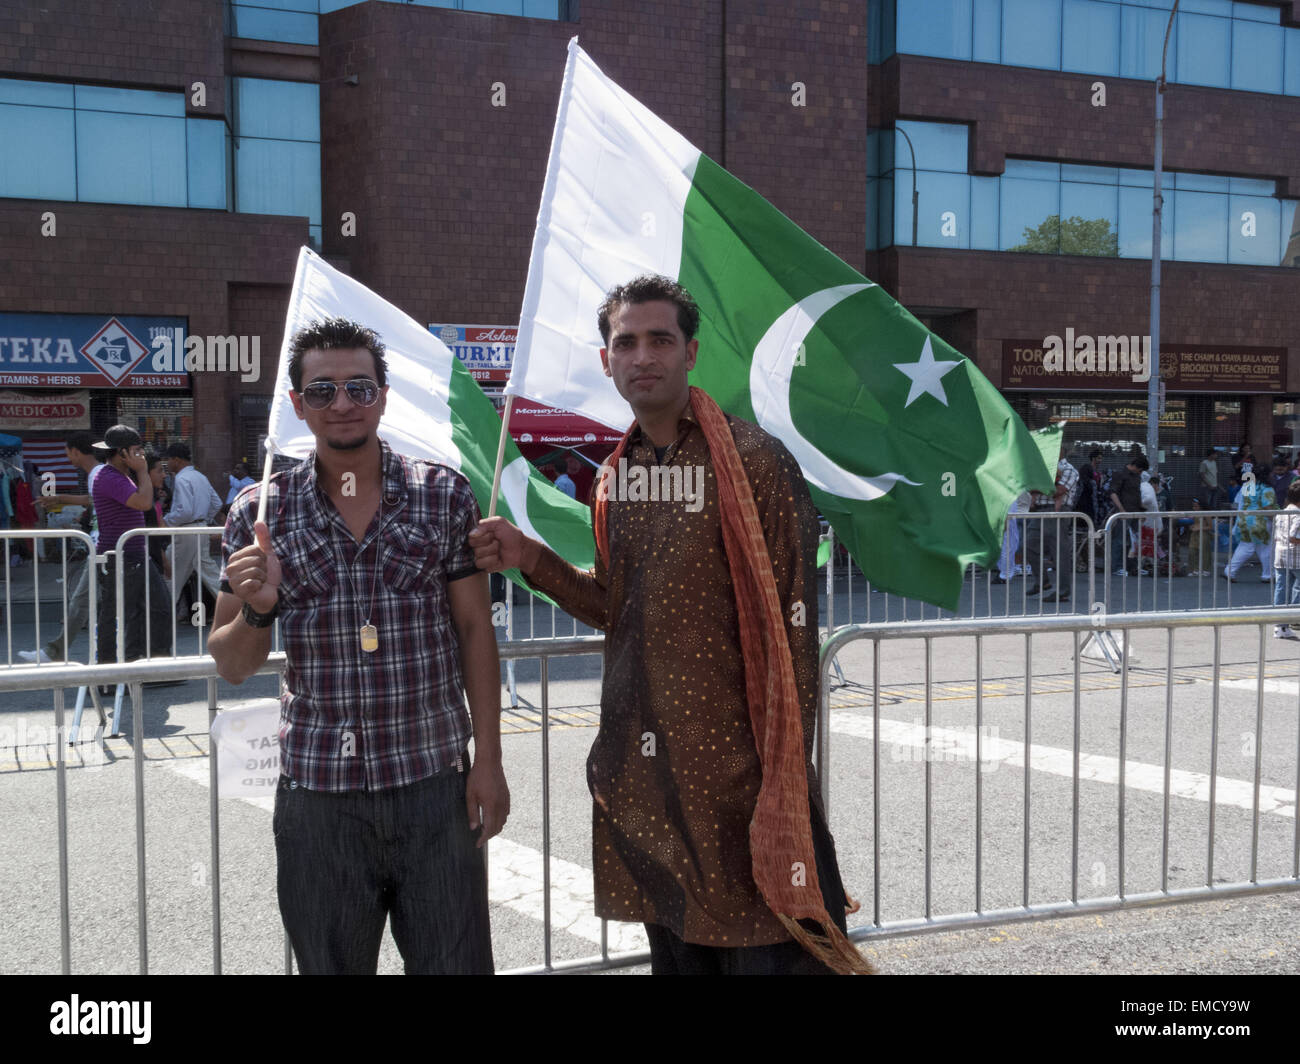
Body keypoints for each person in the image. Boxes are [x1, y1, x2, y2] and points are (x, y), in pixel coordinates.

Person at [470, 275, 869, 975]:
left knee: (770, 954)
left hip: (741, 784)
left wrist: (781, 778)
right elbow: (615, 608)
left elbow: (793, 630)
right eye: (626, 342)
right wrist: (531, 558)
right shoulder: (614, 477)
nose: (642, 355)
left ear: (691, 352)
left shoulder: (754, 464)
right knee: (681, 958)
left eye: (660, 339)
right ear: (607, 362)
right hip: (649, 783)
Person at [207, 316, 507, 975]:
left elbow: (474, 631)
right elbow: (230, 664)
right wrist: (259, 612)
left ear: (383, 396)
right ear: (296, 405)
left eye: (358, 387)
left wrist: (489, 761)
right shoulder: (259, 515)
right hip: (320, 800)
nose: (341, 403)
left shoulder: (442, 498)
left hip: (433, 787)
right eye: (322, 391)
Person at [91, 426, 173, 664]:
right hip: (121, 556)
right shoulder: (109, 476)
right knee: (118, 616)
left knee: (157, 608)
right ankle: (110, 671)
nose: (142, 455)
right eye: (137, 451)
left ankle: (152, 665)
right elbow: (144, 502)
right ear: (121, 452)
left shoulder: (119, 475)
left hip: (134, 554)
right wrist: (143, 471)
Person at [21, 433, 105, 663]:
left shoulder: (98, 473)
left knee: (81, 602)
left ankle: (54, 652)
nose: (67, 457)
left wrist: (60, 499)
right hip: (103, 547)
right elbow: (90, 499)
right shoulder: (96, 474)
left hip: (102, 548)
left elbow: (94, 500)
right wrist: (60, 499)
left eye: (68, 452)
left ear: (77, 451)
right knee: (86, 602)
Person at [161, 442, 224, 613]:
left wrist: (166, 521)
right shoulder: (200, 476)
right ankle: (234, 608)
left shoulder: (181, 479)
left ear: (176, 459)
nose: (167, 465)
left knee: (171, 574)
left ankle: (162, 614)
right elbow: (216, 502)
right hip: (201, 529)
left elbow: (185, 511)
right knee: (210, 573)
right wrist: (204, 519)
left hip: (186, 531)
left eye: (168, 461)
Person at [1224, 475, 1276, 582]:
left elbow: (1241, 503)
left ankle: (1230, 571)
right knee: (1265, 548)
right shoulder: (1267, 488)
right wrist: (1277, 518)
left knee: (1245, 546)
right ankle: (1268, 575)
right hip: (1261, 521)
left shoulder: (1248, 486)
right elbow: (1267, 507)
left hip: (1246, 519)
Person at [1107, 454, 1148, 576]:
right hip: (1124, 512)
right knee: (1119, 540)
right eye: (1140, 470)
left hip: (1135, 512)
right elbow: (1113, 493)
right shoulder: (1120, 474)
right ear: (1135, 466)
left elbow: (1137, 494)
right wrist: (1121, 510)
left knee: (1134, 541)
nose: (1140, 473)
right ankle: (1116, 567)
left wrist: (1142, 510)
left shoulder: (1136, 477)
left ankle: (1133, 566)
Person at [1271, 479, 1300, 639]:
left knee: (1281, 588)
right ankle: (1294, 618)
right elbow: (1294, 537)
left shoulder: (1282, 512)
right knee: (1298, 587)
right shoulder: (1298, 515)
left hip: (1280, 555)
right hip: (1296, 556)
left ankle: (1280, 626)